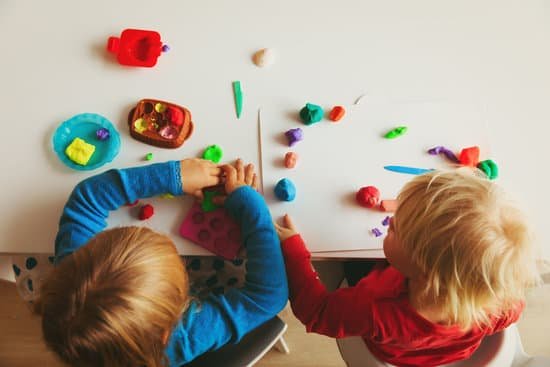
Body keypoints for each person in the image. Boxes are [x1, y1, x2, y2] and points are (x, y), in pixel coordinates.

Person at [33, 158, 288, 366]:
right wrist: (251, 205)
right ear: (168, 326)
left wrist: (173, 176)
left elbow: (85, 200)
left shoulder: (73, 273)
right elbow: (268, 297)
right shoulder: (182, 337)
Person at [275, 168, 540, 367]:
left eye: (394, 228)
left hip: (389, 352)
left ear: (423, 272)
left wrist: (293, 250)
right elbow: (514, 311)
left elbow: (317, 313)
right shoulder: (499, 302)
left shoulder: (375, 308)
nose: (390, 219)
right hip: (450, 352)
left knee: (350, 267)